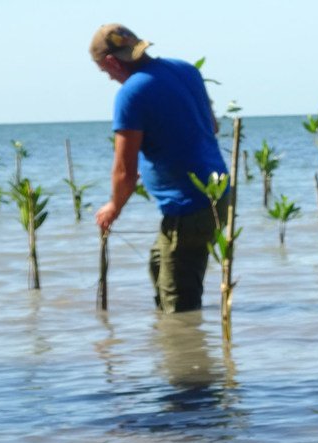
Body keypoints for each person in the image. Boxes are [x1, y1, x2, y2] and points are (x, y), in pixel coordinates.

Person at [90, 23, 228, 313]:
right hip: (218, 194)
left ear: (113, 62)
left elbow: (124, 173)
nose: (110, 79)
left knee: (179, 304)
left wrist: (113, 207)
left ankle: (185, 354)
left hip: (188, 207)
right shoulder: (185, 70)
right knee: (158, 264)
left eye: (105, 72)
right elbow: (210, 127)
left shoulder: (132, 93)